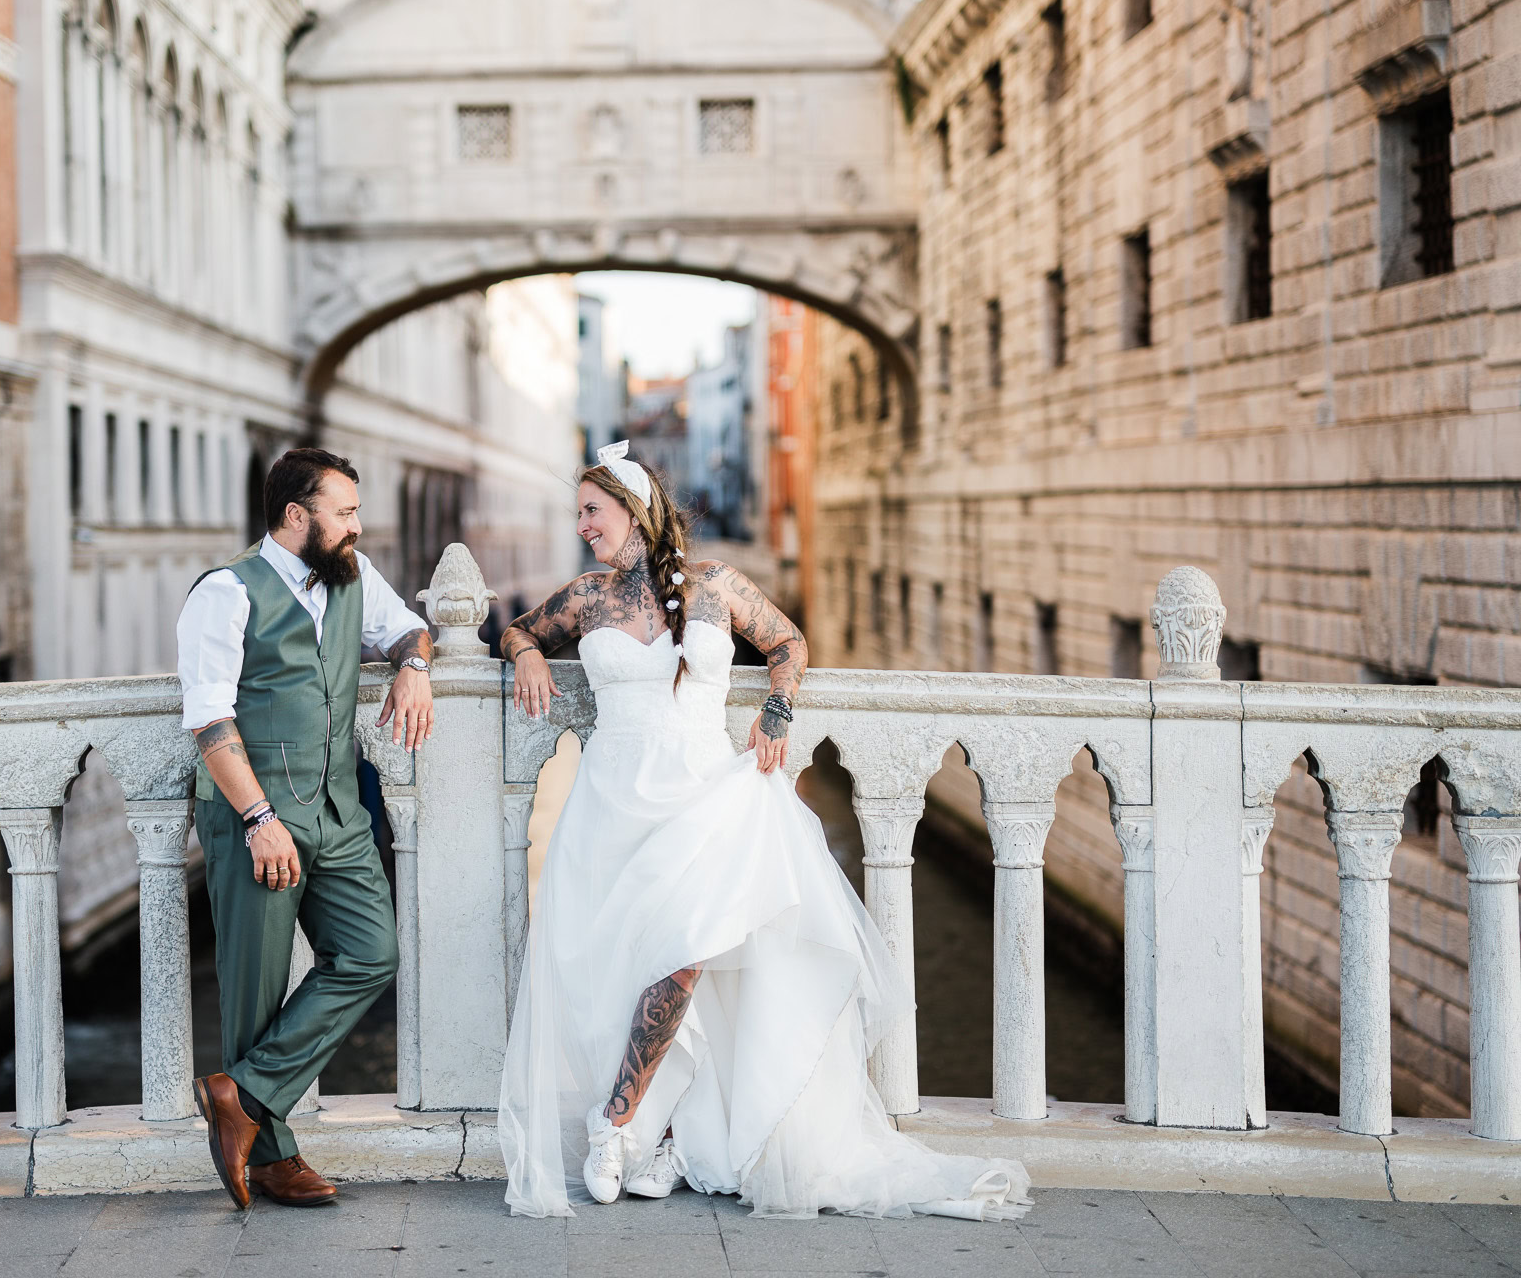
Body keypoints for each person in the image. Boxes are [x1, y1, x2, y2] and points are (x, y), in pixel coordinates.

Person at [497, 441, 1031, 1221]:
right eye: (579, 512)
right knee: (620, 971)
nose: (581, 525)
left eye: (591, 510)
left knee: (682, 958)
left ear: (633, 509)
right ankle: (670, 1136)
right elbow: (513, 630)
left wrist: (776, 713)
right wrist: (524, 656)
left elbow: (787, 643)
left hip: (706, 801)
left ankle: (612, 1125)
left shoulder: (717, 587)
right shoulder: (584, 597)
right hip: (612, 807)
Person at [177, 447, 435, 1209]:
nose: (357, 525)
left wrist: (415, 667)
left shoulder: (352, 575)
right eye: (344, 512)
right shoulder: (225, 593)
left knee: (370, 953)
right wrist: (258, 820)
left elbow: (408, 630)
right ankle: (272, 1156)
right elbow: (209, 720)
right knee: (255, 994)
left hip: (338, 814)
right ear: (298, 516)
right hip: (258, 817)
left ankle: (243, 1097)